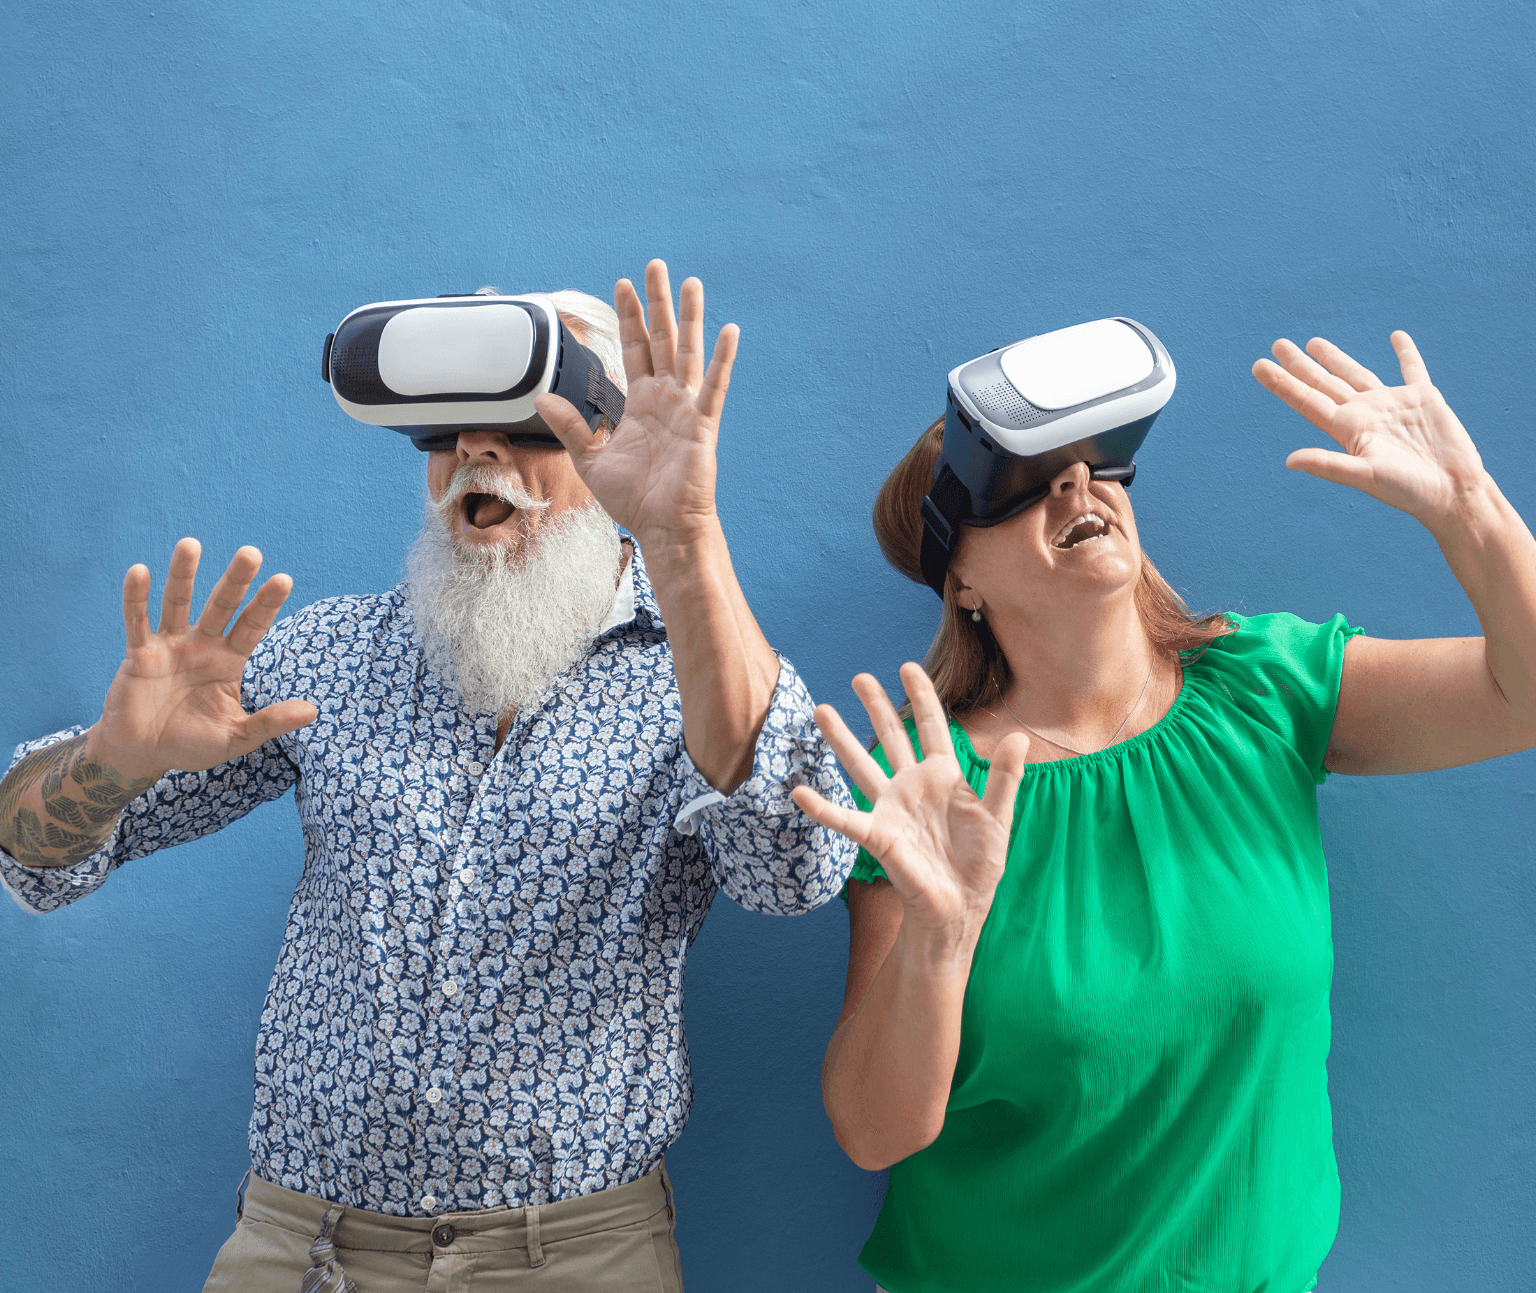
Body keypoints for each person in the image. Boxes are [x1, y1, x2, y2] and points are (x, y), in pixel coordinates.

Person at [0, 261, 856, 1292]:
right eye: (446, 429)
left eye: (528, 427)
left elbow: (796, 870)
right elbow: (33, 862)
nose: (477, 452)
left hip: (575, 1257)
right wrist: (108, 761)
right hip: (304, 1249)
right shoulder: (326, 656)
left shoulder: (701, 672)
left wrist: (685, 538)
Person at [790, 329, 1536, 1292]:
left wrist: (1468, 506)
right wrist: (940, 938)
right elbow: (873, 1130)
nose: (1075, 486)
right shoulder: (928, 791)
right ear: (960, 578)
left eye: (1094, 462)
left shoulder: (1266, 691)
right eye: (1018, 480)